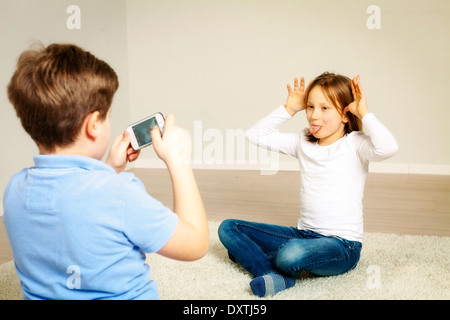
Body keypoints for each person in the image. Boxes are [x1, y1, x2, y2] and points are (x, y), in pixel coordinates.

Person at [3, 43, 208, 300]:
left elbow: (76, 212)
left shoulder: (14, 189)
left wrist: (109, 170)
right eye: (108, 116)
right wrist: (178, 161)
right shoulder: (120, 194)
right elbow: (196, 243)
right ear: (93, 125)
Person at [218, 72, 398, 297]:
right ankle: (271, 273)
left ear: (345, 115)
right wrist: (288, 109)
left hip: (342, 246)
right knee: (228, 228)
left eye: (325, 108)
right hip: (303, 235)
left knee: (289, 255)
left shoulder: (355, 144)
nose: (314, 115)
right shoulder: (302, 141)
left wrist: (364, 112)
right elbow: (254, 135)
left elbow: (389, 148)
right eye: (310, 107)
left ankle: (253, 255)